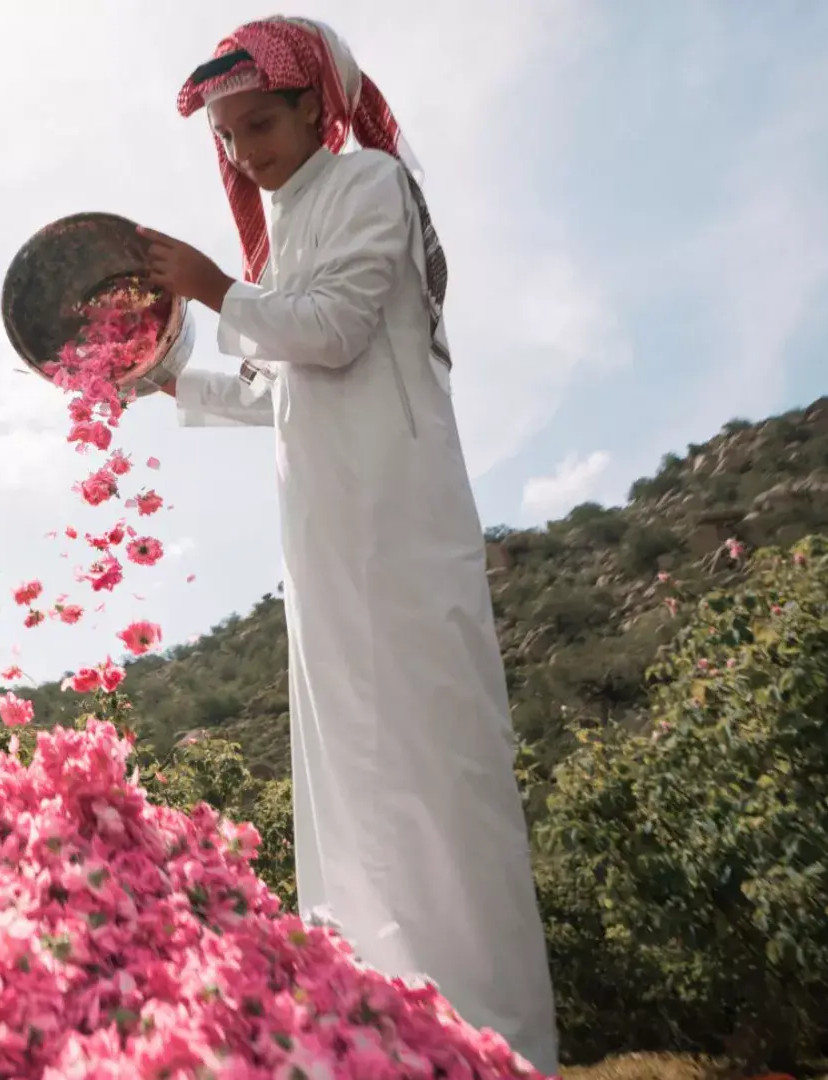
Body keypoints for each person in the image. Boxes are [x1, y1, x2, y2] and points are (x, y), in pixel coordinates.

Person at [136, 18, 560, 1074]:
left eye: (260, 124)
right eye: (228, 138)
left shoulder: (368, 182)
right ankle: (383, 1029)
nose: (245, 153)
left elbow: (329, 332)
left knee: (434, 768)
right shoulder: (282, 235)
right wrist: (167, 377)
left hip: (397, 521)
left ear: (312, 107)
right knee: (351, 776)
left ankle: (492, 1038)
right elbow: (279, 388)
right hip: (326, 542)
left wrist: (212, 288)